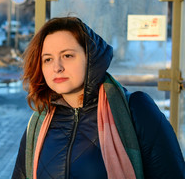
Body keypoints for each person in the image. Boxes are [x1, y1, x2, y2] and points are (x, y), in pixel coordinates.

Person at [11, 17, 185, 179]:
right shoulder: (38, 124)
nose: (57, 67)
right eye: (48, 59)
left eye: (67, 56)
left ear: (91, 59)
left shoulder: (136, 110)